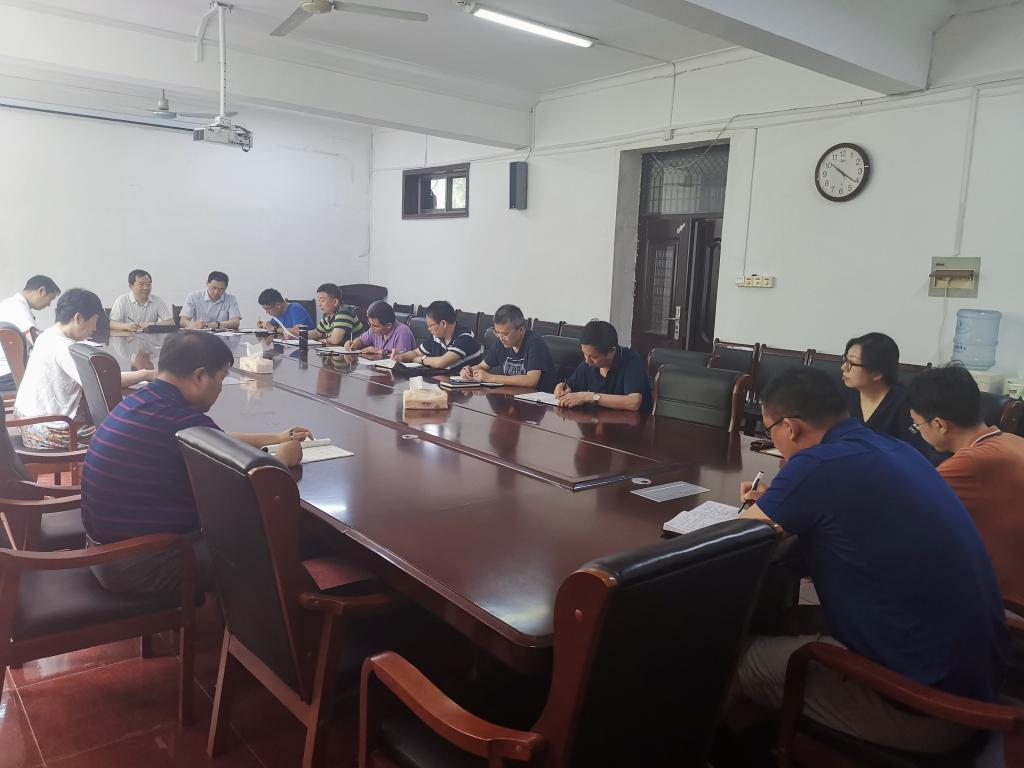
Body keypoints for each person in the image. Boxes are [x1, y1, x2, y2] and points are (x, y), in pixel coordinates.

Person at [735, 367, 1006, 754]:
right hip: (974, 681)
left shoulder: (816, 465)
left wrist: (774, 503)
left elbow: (733, 545)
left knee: (727, 656)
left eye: (769, 430)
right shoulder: (898, 449)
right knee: (779, 621)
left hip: (928, 710)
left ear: (790, 428)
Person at [80, 330, 311, 595]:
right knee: (273, 548)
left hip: (106, 551)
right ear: (200, 376)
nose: (220, 388)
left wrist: (275, 438)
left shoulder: (145, 401)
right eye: (221, 379)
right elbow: (243, 491)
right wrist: (279, 459)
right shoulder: (179, 418)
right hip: (139, 564)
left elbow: (212, 440)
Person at [907, 365, 1024, 598]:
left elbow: (905, 517)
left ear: (939, 424)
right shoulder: (1013, 441)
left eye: (916, 425)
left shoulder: (968, 465)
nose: (918, 431)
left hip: (1008, 602)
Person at [13, 289, 155, 449]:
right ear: (78, 318)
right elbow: (104, 382)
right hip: (46, 430)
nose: (94, 328)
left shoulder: (48, 335)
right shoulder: (64, 348)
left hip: (28, 419)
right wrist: (146, 374)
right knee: (125, 433)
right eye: (95, 321)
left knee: (117, 421)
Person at [553, 320, 652, 412]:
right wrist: (562, 388)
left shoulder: (631, 360)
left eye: (594, 357)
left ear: (611, 351)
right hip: (599, 420)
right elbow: (570, 386)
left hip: (632, 422)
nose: (587, 361)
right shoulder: (588, 362)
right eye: (584, 354)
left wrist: (588, 397)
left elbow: (634, 402)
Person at [460, 304, 555, 391]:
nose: (501, 338)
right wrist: (469, 371)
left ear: (521, 330)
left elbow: (531, 380)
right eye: (497, 332)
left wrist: (491, 378)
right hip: (510, 395)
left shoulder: (535, 343)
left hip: (536, 399)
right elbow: (483, 366)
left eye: (505, 334)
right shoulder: (501, 342)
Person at [0, 275, 60, 391]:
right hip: (8, 375)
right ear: (41, 291)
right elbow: (36, 343)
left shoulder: (9, 303)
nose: (48, 304)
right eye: (50, 299)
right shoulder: (19, 309)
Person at [391, 300, 482, 369]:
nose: (428, 329)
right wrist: (401, 357)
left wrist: (420, 359)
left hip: (468, 385)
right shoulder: (437, 336)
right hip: (445, 379)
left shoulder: (465, 337)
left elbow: (441, 363)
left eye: (430, 325)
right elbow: (416, 352)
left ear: (443, 323)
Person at [108, 269, 173, 332]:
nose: (146, 288)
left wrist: (151, 324)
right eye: (141, 284)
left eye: (148, 284)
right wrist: (127, 326)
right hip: (127, 337)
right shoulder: (122, 300)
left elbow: (171, 322)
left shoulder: (157, 301)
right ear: (131, 286)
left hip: (150, 338)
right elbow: (112, 323)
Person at [344, 300, 415, 354]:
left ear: (389, 325)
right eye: (369, 324)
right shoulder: (373, 329)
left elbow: (401, 359)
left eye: (375, 326)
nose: (371, 328)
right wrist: (353, 344)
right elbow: (361, 340)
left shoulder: (402, 333)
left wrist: (376, 351)